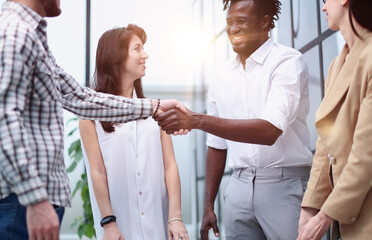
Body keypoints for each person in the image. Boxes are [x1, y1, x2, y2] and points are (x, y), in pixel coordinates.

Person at [0, 1, 184, 240]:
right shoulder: (14, 31)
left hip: (31, 203)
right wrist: (35, 199)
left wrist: (154, 107)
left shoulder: (31, 37)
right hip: (22, 204)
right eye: (136, 49)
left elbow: (81, 99)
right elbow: (4, 117)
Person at [156, 0, 313, 239]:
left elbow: (268, 131)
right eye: (230, 23)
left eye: (242, 22)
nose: (233, 29)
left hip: (285, 185)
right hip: (238, 187)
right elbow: (217, 145)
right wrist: (208, 204)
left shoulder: (288, 62)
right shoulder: (221, 75)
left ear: (264, 23)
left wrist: (196, 120)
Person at [79, 25, 189, 240]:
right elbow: (97, 171)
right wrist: (108, 222)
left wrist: (175, 217)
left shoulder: (157, 111)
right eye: (137, 49)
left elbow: (170, 165)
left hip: (159, 225)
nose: (145, 55)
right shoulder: (89, 117)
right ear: (116, 57)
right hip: (118, 228)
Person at [297, 0, 372, 239]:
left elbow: (366, 156)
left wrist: (325, 216)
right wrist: (309, 207)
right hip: (343, 220)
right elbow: (325, 146)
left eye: (324, 0)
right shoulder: (335, 66)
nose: (322, 8)